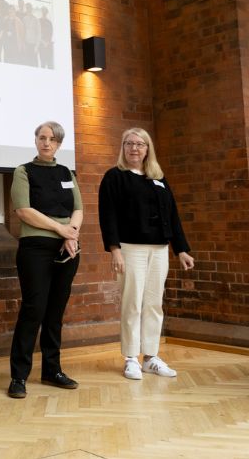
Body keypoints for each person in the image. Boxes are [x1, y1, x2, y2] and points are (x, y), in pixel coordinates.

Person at [98, 127, 194, 380]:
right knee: (132, 304)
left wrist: (181, 249)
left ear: (147, 149)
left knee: (153, 304)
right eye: (129, 143)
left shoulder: (159, 178)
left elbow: (172, 216)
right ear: (123, 147)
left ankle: (151, 357)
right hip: (131, 250)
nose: (134, 148)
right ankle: (131, 358)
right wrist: (114, 250)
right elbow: (107, 217)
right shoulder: (114, 177)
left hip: (160, 250)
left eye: (140, 144)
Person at [7, 121, 83, 399]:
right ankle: (18, 376)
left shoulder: (66, 172)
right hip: (36, 249)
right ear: (36, 140)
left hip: (67, 248)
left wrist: (71, 234)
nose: (46, 143)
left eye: (52, 139)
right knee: (33, 309)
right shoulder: (23, 171)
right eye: (42, 138)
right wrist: (60, 229)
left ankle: (52, 370)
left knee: (55, 313)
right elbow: (24, 211)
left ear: (59, 144)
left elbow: (78, 208)